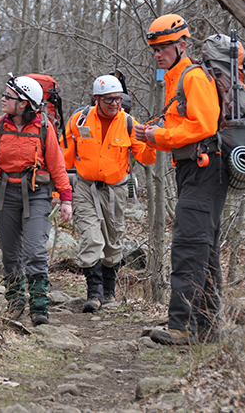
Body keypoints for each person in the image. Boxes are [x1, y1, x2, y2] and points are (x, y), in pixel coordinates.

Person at [134, 14, 230, 345]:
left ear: (181, 44)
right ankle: (207, 326)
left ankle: (182, 325)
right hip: (193, 168)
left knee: (189, 245)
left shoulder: (193, 76)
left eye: (163, 47)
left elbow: (204, 125)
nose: (158, 54)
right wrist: (153, 134)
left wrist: (159, 134)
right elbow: (180, 125)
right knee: (205, 248)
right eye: (154, 48)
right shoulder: (176, 78)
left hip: (207, 167)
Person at [0, 76, 73, 326]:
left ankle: (40, 307)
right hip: (4, 194)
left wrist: (65, 199)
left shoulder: (44, 128)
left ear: (24, 104)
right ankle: (15, 303)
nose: (3, 100)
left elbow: (58, 165)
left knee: (35, 251)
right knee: (10, 254)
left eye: (9, 97)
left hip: (37, 194)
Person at [61, 75, 156, 313]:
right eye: (109, 100)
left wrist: (152, 139)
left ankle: (109, 291)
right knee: (91, 238)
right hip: (84, 187)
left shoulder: (128, 123)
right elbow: (64, 158)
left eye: (118, 99)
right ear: (97, 99)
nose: (115, 104)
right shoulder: (79, 119)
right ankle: (94, 294)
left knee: (113, 241)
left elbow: (145, 157)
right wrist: (59, 192)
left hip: (116, 190)